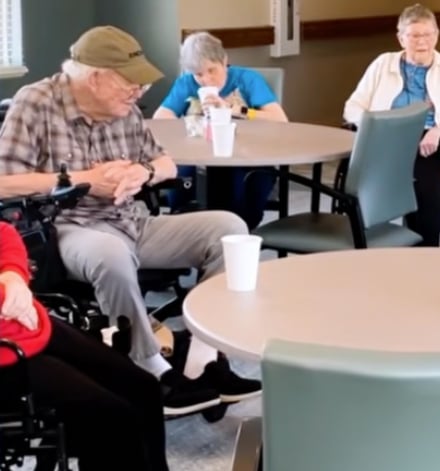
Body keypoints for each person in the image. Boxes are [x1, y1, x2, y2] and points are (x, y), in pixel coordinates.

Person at [0, 26, 261, 416]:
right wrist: (84, 181)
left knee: (229, 229)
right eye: (130, 83)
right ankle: (150, 368)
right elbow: (4, 184)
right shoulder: (36, 102)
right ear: (95, 77)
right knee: (110, 254)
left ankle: (201, 360)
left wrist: (145, 174)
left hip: (132, 221)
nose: (139, 92)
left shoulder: (123, 108)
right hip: (71, 228)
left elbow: (165, 162)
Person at [0, 221, 169, 471]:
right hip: (7, 358)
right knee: (111, 420)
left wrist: (13, 276)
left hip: (28, 325)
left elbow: (4, 233)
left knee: (143, 387)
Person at [343, 3, 440, 247]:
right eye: (414, 35)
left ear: (436, 35)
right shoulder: (383, 64)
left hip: (431, 141)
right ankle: (363, 251)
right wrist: (375, 126)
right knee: (360, 187)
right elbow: (352, 108)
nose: (422, 41)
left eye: (427, 34)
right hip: (385, 138)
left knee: (424, 184)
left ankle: (424, 256)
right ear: (401, 38)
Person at [153, 31, 289, 230]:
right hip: (200, 157)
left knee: (242, 192)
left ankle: (237, 232)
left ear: (224, 60)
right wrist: (193, 123)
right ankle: (186, 232)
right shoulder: (185, 83)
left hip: (247, 156)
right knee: (181, 178)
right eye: (198, 74)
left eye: (212, 70)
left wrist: (234, 109)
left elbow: (280, 119)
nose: (206, 80)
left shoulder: (247, 79)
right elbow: (161, 119)